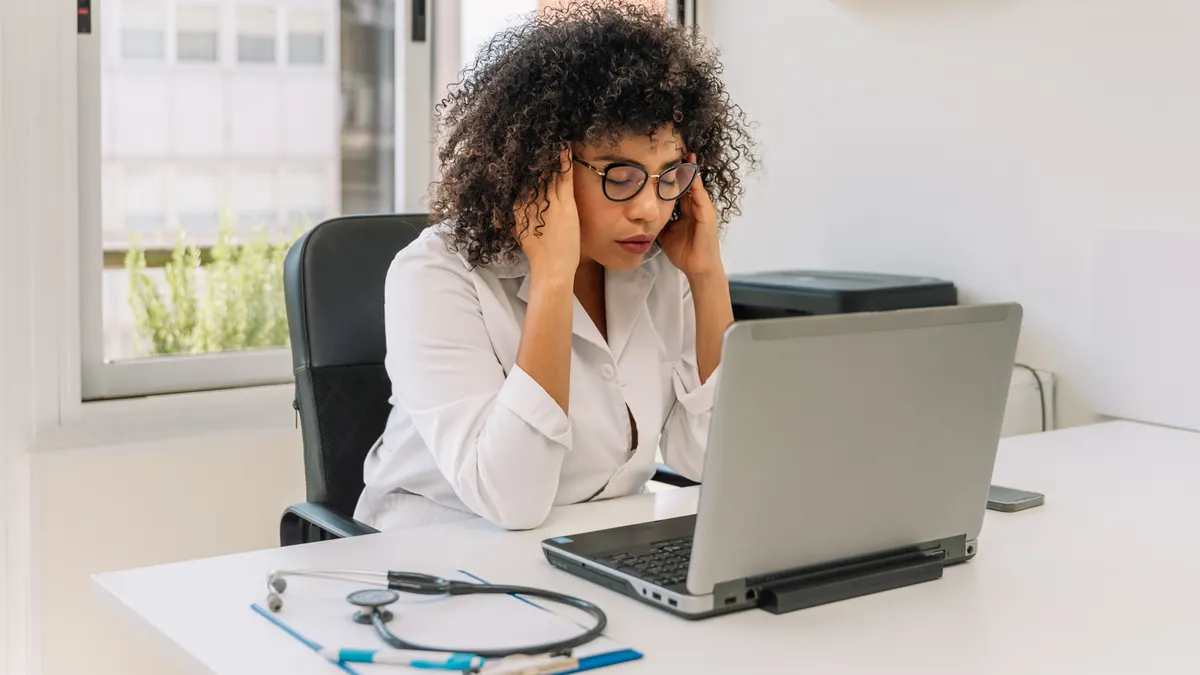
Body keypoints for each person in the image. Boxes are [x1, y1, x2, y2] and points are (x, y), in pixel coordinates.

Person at [353, 0, 757, 531]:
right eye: (621, 174)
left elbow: (706, 458)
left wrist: (707, 279)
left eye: (668, 175)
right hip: (437, 557)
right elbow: (511, 500)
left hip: (589, 545)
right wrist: (551, 278)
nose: (650, 208)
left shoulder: (658, 270)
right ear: (546, 167)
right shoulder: (434, 274)